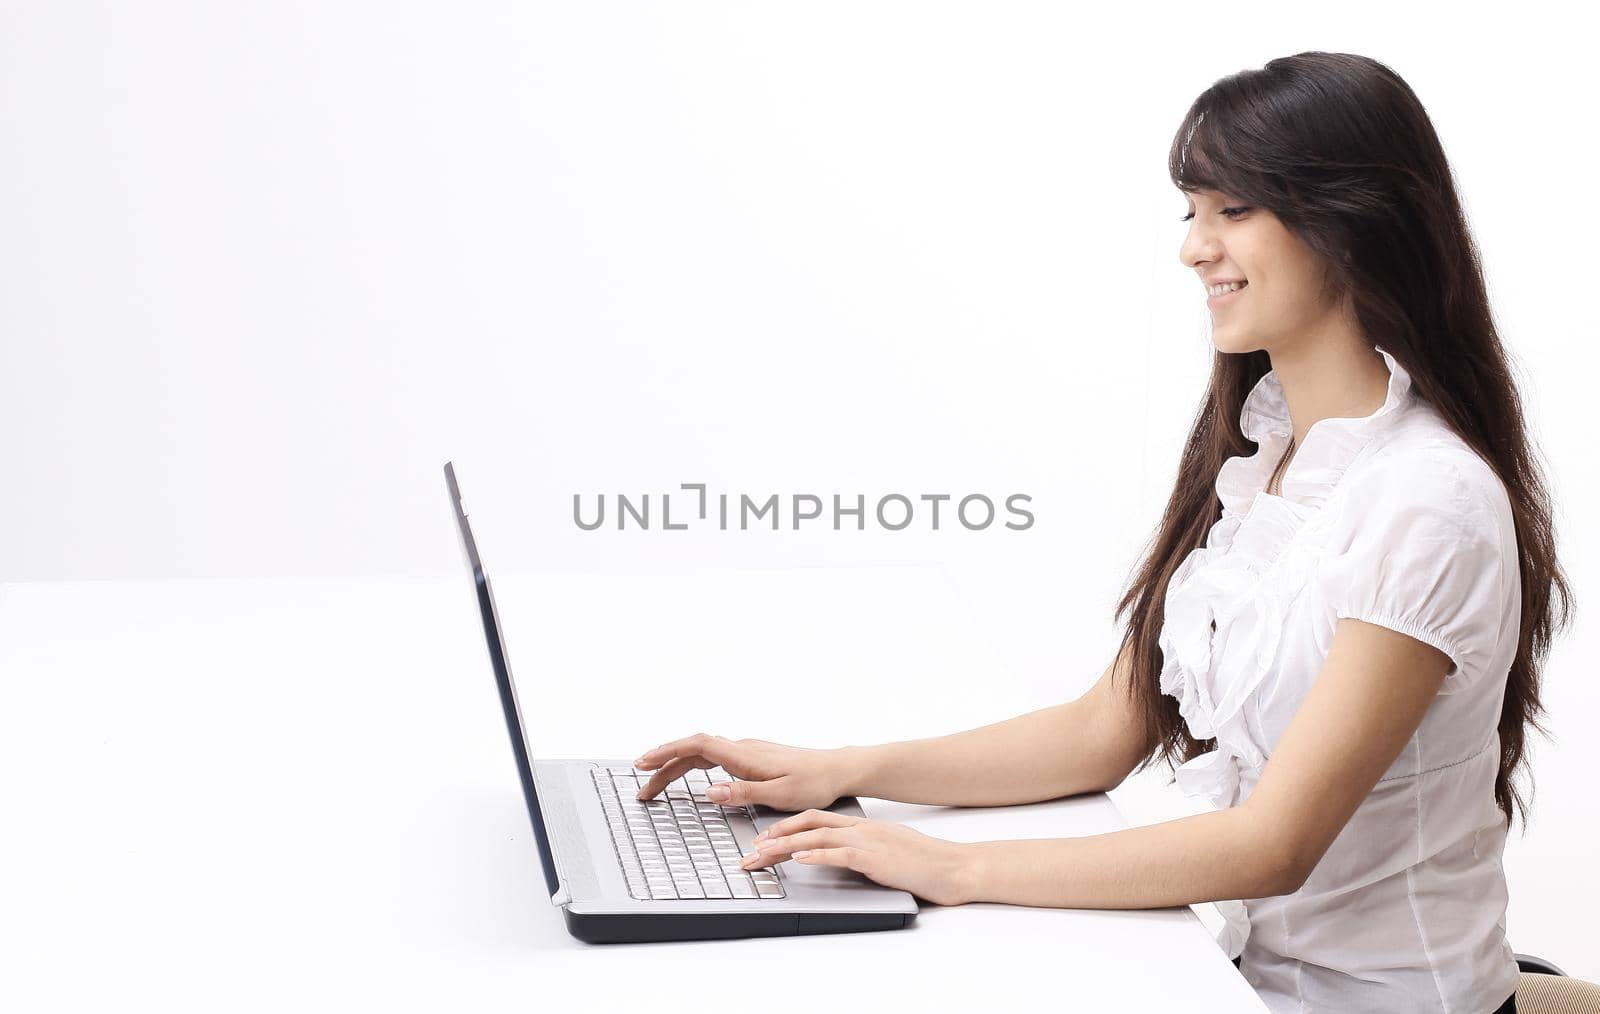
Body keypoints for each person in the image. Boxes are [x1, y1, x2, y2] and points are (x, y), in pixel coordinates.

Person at [632, 52, 1571, 1014]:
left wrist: (951, 868)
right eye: (1191, 211)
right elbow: (1104, 729)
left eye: (1233, 209)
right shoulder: (1271, 454)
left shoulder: (1427, 499)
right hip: (1234, 975)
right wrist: (842, 771)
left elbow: (1272, 847)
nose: (1195, 248)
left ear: (1354, 222)